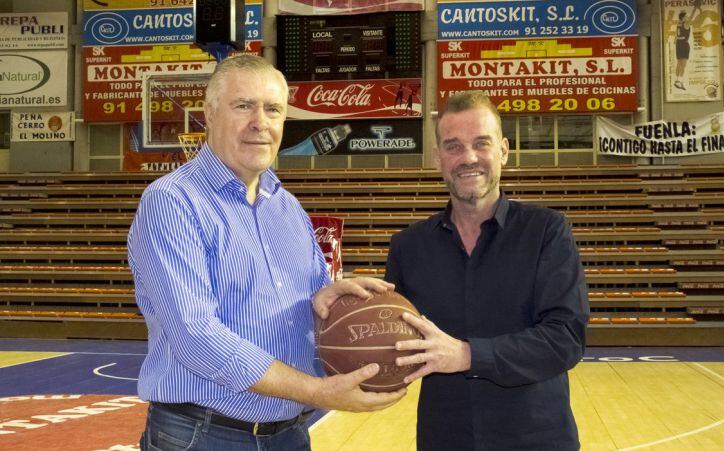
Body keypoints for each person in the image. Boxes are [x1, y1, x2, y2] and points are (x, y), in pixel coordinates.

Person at [128, 54, 405, 451]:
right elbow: (197, 337)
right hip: (204, 435)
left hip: (289, 433)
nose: (260, 122)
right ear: (208, 114)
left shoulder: (288, 207)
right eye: (244, 106)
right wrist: (318, 391)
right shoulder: (172, 201)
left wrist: (329, 299)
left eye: (273, 109)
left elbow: (307, 307)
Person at [386, 91, 589, 450]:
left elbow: (565, 340)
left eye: (482, 143)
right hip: (444, 439)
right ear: (437, 159)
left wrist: (465, 355)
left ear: (504, 151)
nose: (469, 158)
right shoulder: (409, 246)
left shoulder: (547, 231)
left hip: (538, 439)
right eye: (453, 146)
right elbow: (388, 339)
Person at [674, 9, 696, 91]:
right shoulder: (686, 24)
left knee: (678, 63)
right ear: (684, 17)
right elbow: (691, 19)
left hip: (678, 44)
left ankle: (677, 80)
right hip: (683, 44)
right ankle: (681, 82)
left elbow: (676, 35)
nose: (687, 17)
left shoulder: (678, 24)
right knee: (683, 64)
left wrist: (675, 40)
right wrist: (694, 9)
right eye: (686, 16)